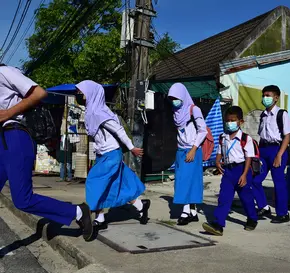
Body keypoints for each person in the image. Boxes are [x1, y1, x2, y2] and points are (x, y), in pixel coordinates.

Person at [0, 65, 93, 241]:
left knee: (22, 200)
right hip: (2, 139)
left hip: (17, 135)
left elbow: (39, 93)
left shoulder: (4, 73)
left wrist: (8, 113)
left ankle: (79, 212)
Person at [75, 80, 150, 230]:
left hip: (111, 154)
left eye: (81, 93)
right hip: (103, 155)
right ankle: (141, 206)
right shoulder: (91, 112)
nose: (79, 96)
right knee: (120, 185)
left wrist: (131, 147)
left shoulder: (99, 113)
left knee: (94, 182)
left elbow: (119, 130)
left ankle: (99, 217)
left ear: (91, 94)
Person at [202, 106, 258, 236]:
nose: (230, 123)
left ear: (240, 122)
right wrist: (217, 161)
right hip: (229, 171)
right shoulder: (223, 137)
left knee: (246, 197)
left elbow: (249, 157)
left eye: (233, 120)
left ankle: (252, 218)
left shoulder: (245, 138)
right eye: (227, 120)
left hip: (242, 169)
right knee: (224, 197)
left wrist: (244, 175)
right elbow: (219, 152)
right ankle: (218, 224)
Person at [252, 85, 290, 223]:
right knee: (255, 179)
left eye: (268, 95)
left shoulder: (282, 114)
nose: (265, 98)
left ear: (276, 98)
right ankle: (264, 206)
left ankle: (283, 214)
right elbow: (262, 135)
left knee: (279, 183)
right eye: (263, 95)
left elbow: (287, 136)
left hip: (277, 149)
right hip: (263, 150)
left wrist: (279, 155)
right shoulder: (263, 115)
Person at [168, 83, 207, 226]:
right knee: (187, 180)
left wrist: (193, 149)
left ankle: (185, 212)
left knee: (184, 181)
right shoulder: (176, 111)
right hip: (181, 150)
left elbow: (203, 130)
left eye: (176, 97)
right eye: (171, 98)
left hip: (192, 150)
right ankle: (193, 211)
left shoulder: (193, 110)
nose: (174, 100)